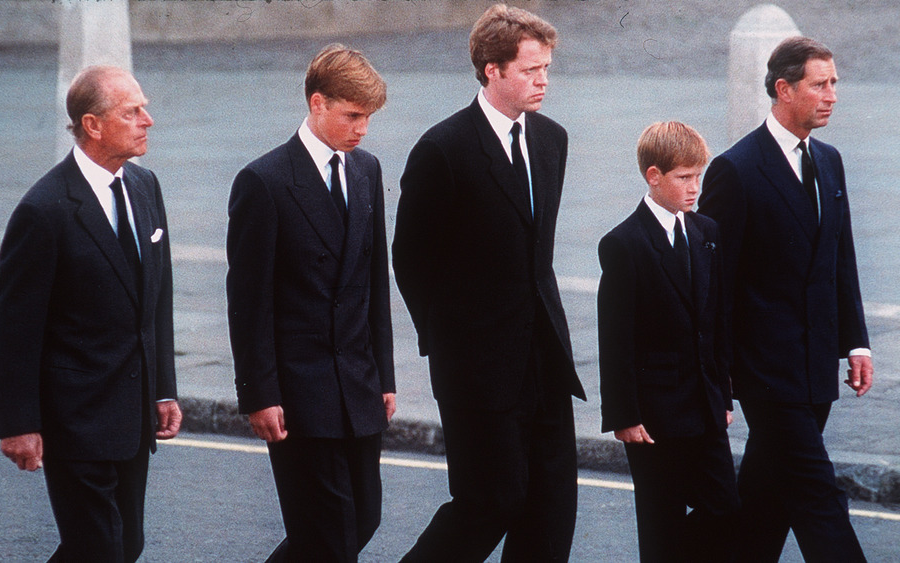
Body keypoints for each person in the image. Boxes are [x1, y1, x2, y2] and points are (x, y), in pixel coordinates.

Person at [392, 5, 586, 562]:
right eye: (530, 70)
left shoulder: (552, 139)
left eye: (547, 67)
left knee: (551, 514)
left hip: (545, 358)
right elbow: (411, 261)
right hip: (476, 367)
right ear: (491, 70)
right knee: (490, 502)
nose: (543, 80)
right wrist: (452, 342)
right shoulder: (443, 149)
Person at [0, 65, 182, 562]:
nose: (148, 120)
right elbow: (14, 328)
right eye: (132, 111)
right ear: (92, 125)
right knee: (100, 548)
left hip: (133, 411)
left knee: (122, 544)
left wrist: (163, 388)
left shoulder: (144, 186)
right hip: (74, 416)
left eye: (144, 107)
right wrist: (18, 423)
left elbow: (156, 300)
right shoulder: (44, 210)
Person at [698, 36, 873, 562]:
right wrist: (717, 373)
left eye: (834, 83)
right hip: (766, 371)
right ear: (783, 89)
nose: (831, 95)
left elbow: (840, 257)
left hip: (817, 362)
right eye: (819, 85)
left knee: (765, 498)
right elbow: (714, 284)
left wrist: (857, 343)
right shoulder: (737, 169)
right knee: (818, 492)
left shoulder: (830, 161)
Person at [226, 44, 394, 563]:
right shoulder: (265, 181)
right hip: (298, 391)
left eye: (368, 117)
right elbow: (248, 301)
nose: (362, 128)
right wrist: (259, 393)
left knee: (362, 518)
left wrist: (384, 376)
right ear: (317, 102)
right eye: (353, 115)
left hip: (358, 383)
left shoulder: (366, 170)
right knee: (329, 533)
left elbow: (373, 283)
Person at [598, 122, 739, 562]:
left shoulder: (707, 232)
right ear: (653, 176)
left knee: (726, 511)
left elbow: (715, 323)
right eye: (683, 177)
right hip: (654, 416)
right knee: (660, 523)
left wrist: (724, 396)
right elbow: (615, 337)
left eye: (698, 176)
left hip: (705, 406)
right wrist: (624, 415)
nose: (694, 187)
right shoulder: (624, 243)